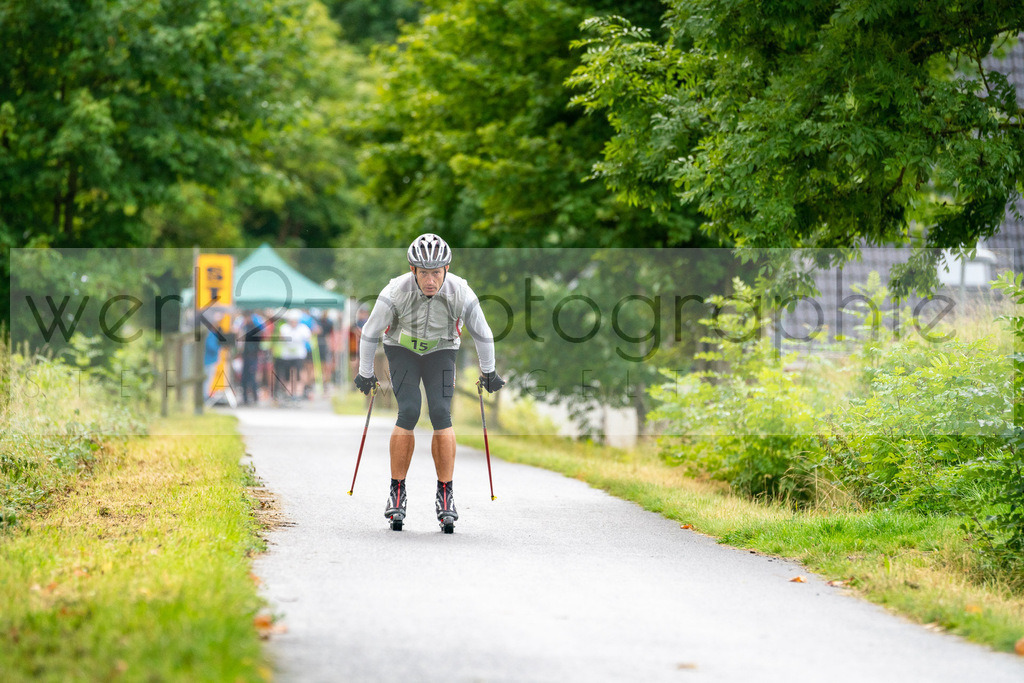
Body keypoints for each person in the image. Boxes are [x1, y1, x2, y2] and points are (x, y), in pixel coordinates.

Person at [354, 233, 505, 533]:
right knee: (409, 411)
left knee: (440, 413)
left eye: (436, 272)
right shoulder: (394, 291)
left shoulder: (461, 292)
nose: (430, 280)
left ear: (446, 269)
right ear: (413, 270)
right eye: (423, 273)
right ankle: (397, 490)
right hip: (401, 349)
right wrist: (365, 372)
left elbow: (483, 332)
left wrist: (489, 371)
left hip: (442, 350)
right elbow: (370, 331)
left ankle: (445, 494)